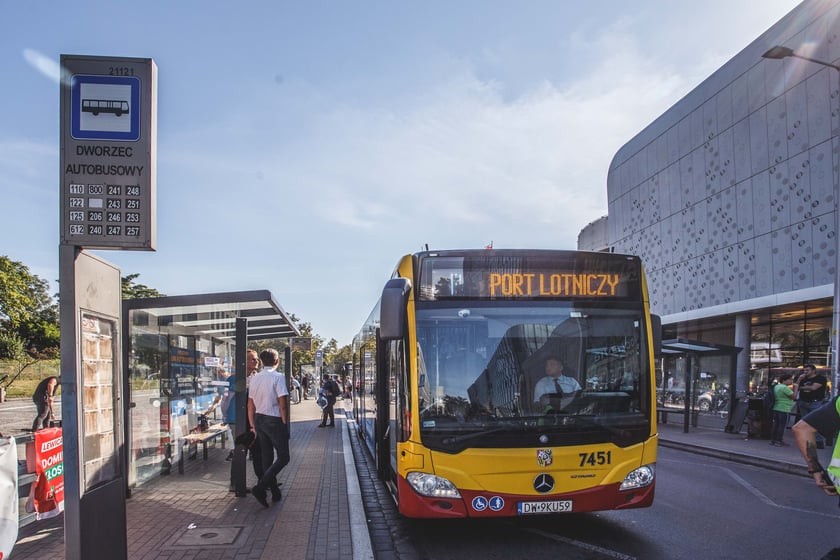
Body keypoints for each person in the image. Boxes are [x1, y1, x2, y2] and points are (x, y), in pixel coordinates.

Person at [247, 348, 289, 507]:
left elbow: (250, 404)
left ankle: (275, 492)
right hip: (274, 419)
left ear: (262, 361)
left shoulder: (255, 378)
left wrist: (252, 424)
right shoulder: (278, 377)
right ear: (276, 361)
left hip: (259, 419)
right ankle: (261, 487)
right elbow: (282, 404)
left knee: (267, 457)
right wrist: (284, 423)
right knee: (284, 457)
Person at [796, 364, 829, 449]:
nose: (805, 372)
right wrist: (799, 380)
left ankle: (819, 440)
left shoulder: (820, 379)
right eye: (804, 370)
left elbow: (813, 388)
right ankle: (809, 441)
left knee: (815, 422)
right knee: (805, 422)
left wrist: (801, 387)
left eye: (807, 370)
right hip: (803, 402)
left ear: (813, 370)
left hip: (815, 402)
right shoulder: (803, 379)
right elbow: (796, 387)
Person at [769, 372, 797, 447]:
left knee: (776, 424)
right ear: (785, 380)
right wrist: (796, 388)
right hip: (784, 408)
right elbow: (793, 396)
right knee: (782, 425)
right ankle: (779, 440)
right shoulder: (784, 388)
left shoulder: (777, 387)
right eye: (790, 379)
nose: (791, 381)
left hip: (777, 407)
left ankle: (773, 439)